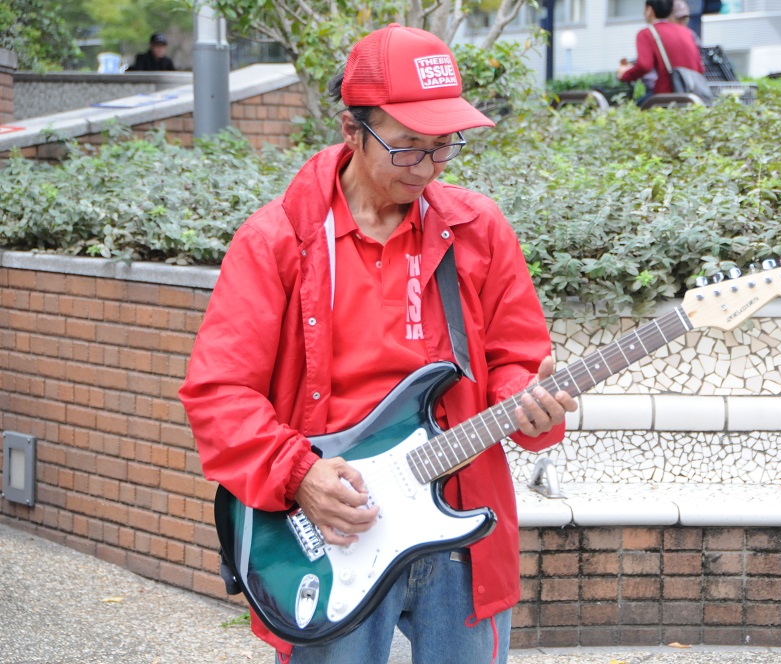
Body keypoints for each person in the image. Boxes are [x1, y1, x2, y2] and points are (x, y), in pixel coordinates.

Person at [178, 23, 576, 664]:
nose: (426, 168)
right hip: (334, 532)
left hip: (460, 527)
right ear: (351, 129)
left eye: (443, 147)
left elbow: (516, 363)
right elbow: (218, 392)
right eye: (407, 148)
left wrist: (528, 404)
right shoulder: (278, 240)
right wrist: (300, 474)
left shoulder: (479, 229)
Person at [616, 0, 704, 102]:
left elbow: (644, 66)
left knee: (636, 108)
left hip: (666, 96)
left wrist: (624, 75)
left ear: (649, 10)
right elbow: (700, 68)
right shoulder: (687, 32)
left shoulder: (646, 33)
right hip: (691, 95)